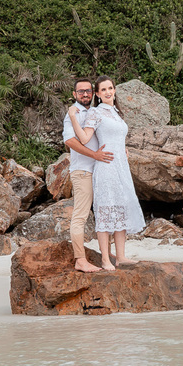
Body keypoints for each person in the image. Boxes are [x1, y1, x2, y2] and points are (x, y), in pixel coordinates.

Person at [67, 76, 146, 270]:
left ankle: (120, 256)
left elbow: (117, 136)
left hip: (120, 166)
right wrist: (72, 117)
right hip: (106, 166)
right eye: (103, 90)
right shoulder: (95, 112)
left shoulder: (116, 113)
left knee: (121, 208)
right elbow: (84, 138)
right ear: (98, 94)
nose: (108, 92)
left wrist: (122, 148)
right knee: (106, 210)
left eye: (110, 88)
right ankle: (104, 259)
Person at [63, 77, 113, 273]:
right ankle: (80, 260)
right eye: (81, 91)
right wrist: (95, 155)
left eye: (88, 91)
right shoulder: (73, 114)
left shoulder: (94, 112)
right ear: (74, 95)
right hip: (83, 171)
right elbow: (70, 141)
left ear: (93, 93)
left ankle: (106, 258)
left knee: (103, 215)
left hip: (100, 171)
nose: (85, 94)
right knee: (81, 216)